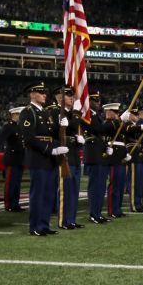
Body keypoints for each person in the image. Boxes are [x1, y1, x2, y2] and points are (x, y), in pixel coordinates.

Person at [19, 82, 64, 235]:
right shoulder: (28, 112)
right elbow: (29, 138)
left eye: (45, 92)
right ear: (32, 94)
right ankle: (35, 226)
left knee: (48, 193)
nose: (45, 95)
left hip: (50, 159)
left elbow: (51, 134)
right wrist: (50, 150)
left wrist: (61, 127)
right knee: (38, 194)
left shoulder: (45, 112)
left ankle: (44, 225)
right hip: (38, 158)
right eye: (41, 92)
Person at [56, 86, 84, 230]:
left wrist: (78, 139)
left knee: (74, 190)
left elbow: (74, 127)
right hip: (64, 156)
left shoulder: (70, 113)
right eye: (68, 95)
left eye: (72, 95)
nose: (72, 98)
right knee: (65, 191)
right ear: (60, 98)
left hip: (74, 154)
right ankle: (63, 221)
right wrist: (77, 112)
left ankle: (71, 220)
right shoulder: (56, 112)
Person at [83, 94, 115, 224]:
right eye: (95, 100)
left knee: (101, 187)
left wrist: (106, 146)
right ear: (88, 101)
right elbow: (97, 129)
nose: (98, 102)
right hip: (93, 155)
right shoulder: (87, 115)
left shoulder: (96, 115)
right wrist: (114, 123)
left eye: (99, 100)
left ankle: (98, 213)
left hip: (99, 154)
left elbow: (100, 133)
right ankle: (93, 214)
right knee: (95, 186)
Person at [0, 106, 25, 212]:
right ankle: (9, 204)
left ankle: (15, 204)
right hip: (11, 159)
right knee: (10, 183)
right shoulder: (8, 127)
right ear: (14, 115)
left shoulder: (21, 127)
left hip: (20, 159)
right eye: (20, 115)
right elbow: (0, 139)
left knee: (17, 184)